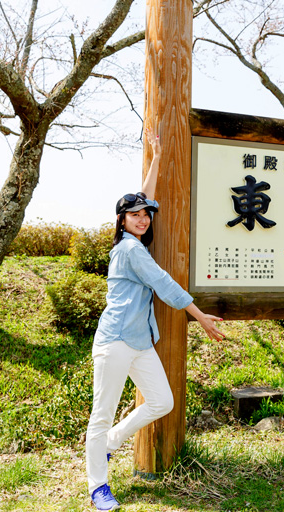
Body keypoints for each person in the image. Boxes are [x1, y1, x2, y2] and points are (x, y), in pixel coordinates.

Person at [86, 126, 225, 511]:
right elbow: (163, 283)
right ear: (122, 221)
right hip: (115, 341)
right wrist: (200, 315)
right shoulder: (130, 250)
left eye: (146, 214)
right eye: (134, 214)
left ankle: (110, 443)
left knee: (161, 401)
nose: (143, 218)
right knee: (102, 414)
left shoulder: (136, 240)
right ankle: (98, 485)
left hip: (140, 341)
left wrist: (158, 155)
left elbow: (145, 193)